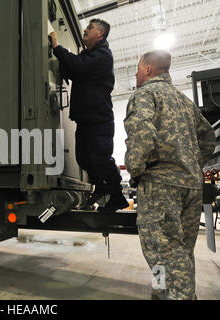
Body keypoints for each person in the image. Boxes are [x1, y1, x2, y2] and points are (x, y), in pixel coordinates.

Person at [124, 50, 216, 300]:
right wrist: (191, 164)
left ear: (147, 69)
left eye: (137, 70)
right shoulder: (184, 100)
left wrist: (135, 168)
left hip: (161, 186)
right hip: (190, 187)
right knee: (181, 251)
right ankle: (161, 292)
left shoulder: (144, 94)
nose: (135, 75)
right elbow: (208, 137)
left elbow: (142, 136)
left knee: (165, 252)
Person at [50, 19, 128, 211]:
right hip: (87, 119)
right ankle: (103, 189)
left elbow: (77, 66)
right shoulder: (90, 54)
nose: (85, 30)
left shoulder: (103, 55)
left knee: (100, 157)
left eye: (90, 28)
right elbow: (73, 69)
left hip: (98, 119)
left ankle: (115, 196)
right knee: (84, 158)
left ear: (100, 34)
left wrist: (57, 48)